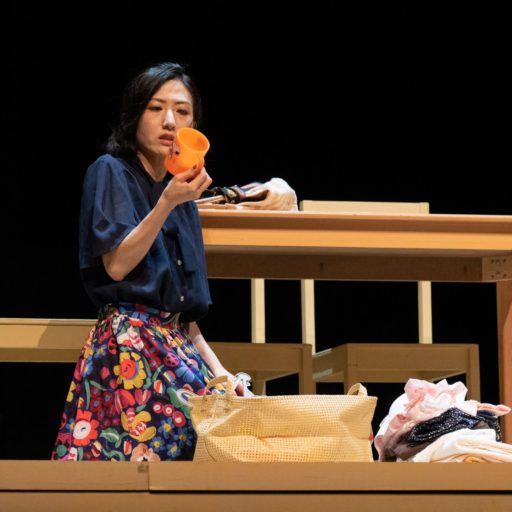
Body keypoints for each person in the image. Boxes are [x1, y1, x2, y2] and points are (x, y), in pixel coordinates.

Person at [52, 61, 245, 462]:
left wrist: (221, 371)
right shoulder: (112, 172)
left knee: (217, 445)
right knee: (134, 466)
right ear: (134, 116)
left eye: (182, 111)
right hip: (130, 344)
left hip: (175, 345)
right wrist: (167, 202)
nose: (170, 121)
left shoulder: (181, 197)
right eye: (155, 108)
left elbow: (183, 315)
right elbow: (117, 265)